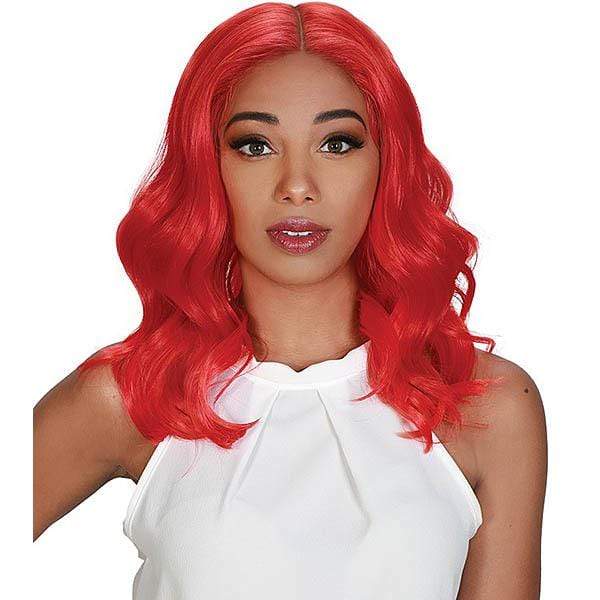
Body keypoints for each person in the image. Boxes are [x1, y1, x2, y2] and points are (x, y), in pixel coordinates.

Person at [33, 2, 547, 598]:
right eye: (255, 145)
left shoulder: (489, 408)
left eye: (338, 143)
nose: (297, 186)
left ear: (388, 164)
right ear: (206, 165)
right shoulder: (132, 397)